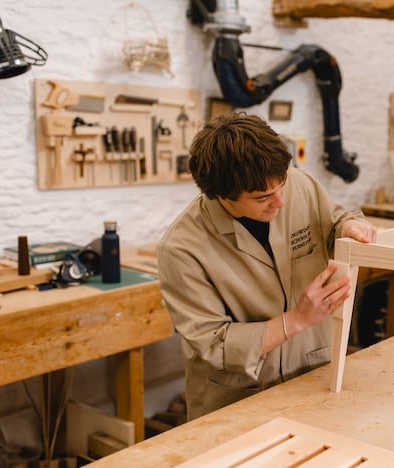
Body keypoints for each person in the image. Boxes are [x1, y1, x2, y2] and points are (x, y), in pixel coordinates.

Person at [157, 112, 377, 419]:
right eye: (262, 198)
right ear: (221, 196)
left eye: (281, 186)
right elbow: (213, 345)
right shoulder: (182, 250)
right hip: (239, 398)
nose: (280, 202)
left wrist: (350, 227)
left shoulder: (296, 183)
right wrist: (296, 320)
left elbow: (336, 220)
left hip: (312, 374)